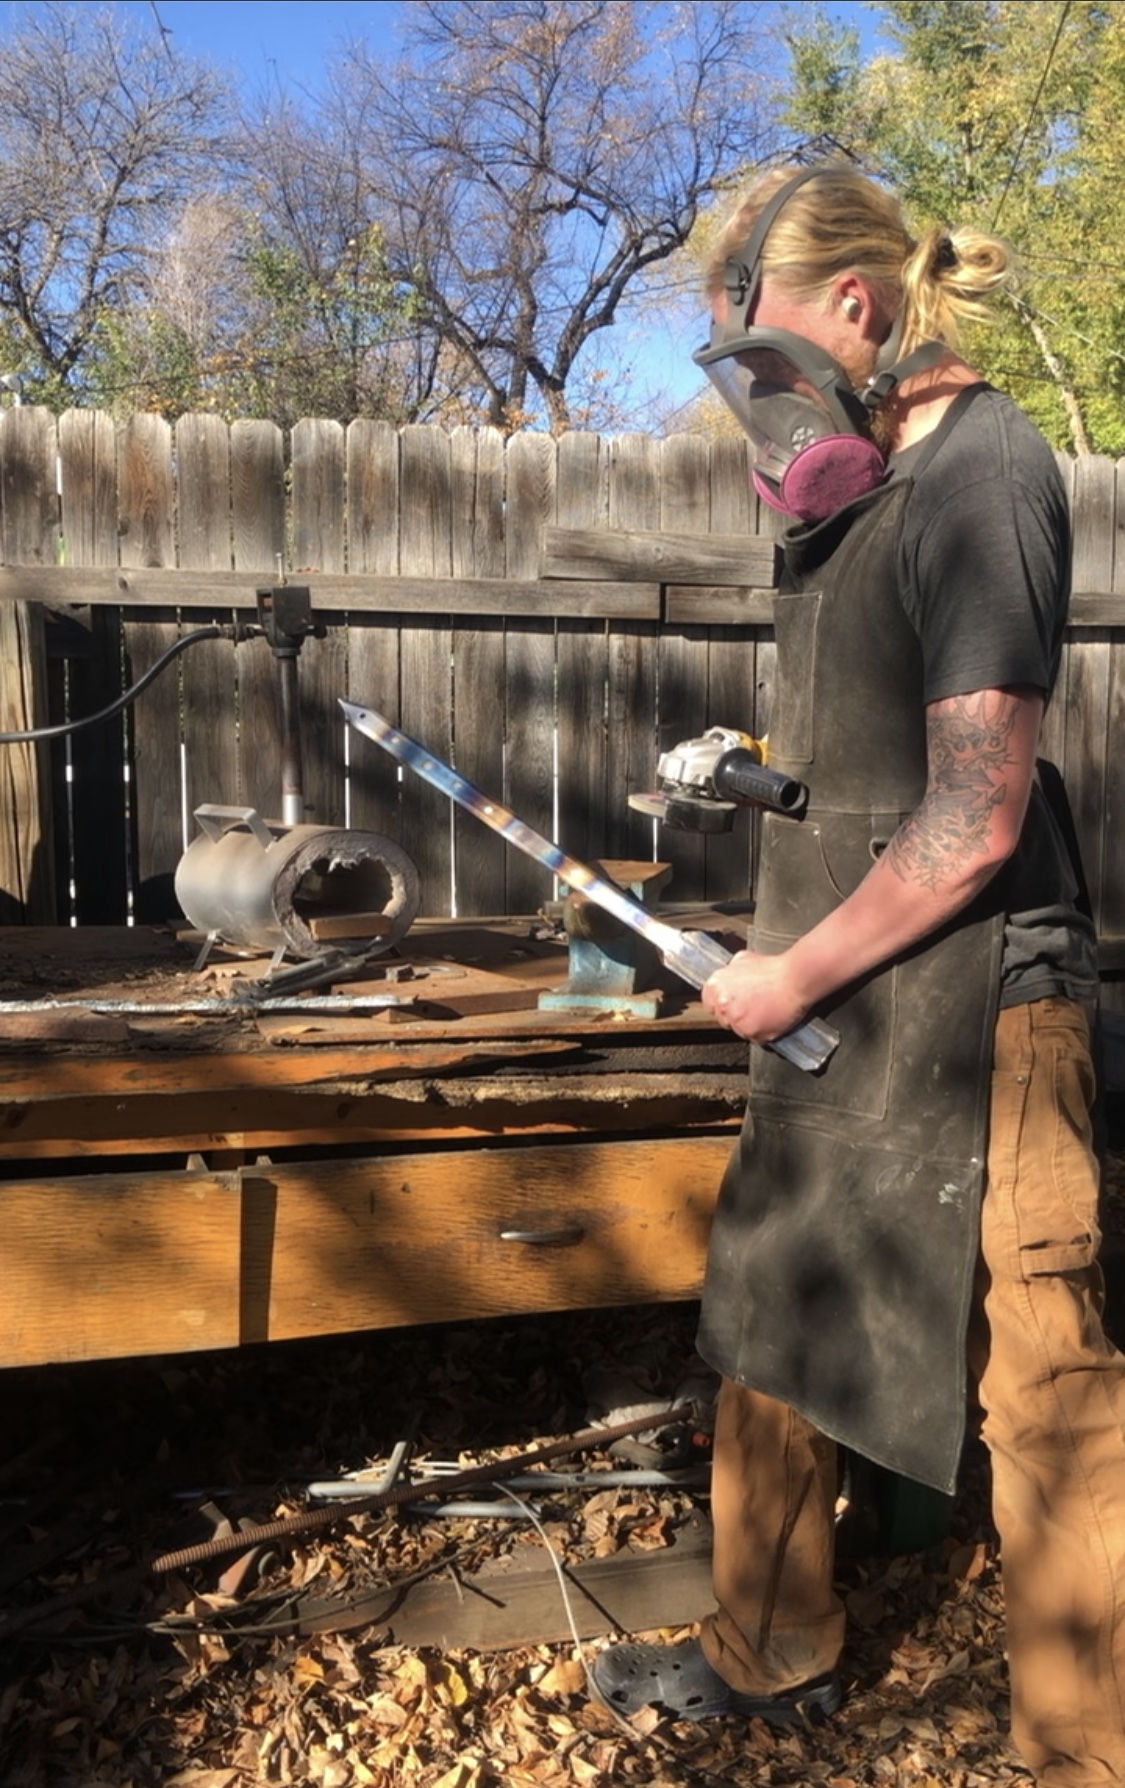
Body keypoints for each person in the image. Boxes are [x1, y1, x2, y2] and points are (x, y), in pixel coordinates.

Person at [590, 163, 1124, 1788]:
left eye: (761, 354)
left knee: (1043, 1385)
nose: (755, 397)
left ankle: (1085, 1747)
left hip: (985, 1009)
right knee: (771, 1324)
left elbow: (973, 817)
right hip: (842, 990)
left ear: (854, 304)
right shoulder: (860, 497)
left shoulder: (985, 476)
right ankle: (767, 1652)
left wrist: (783, 974)